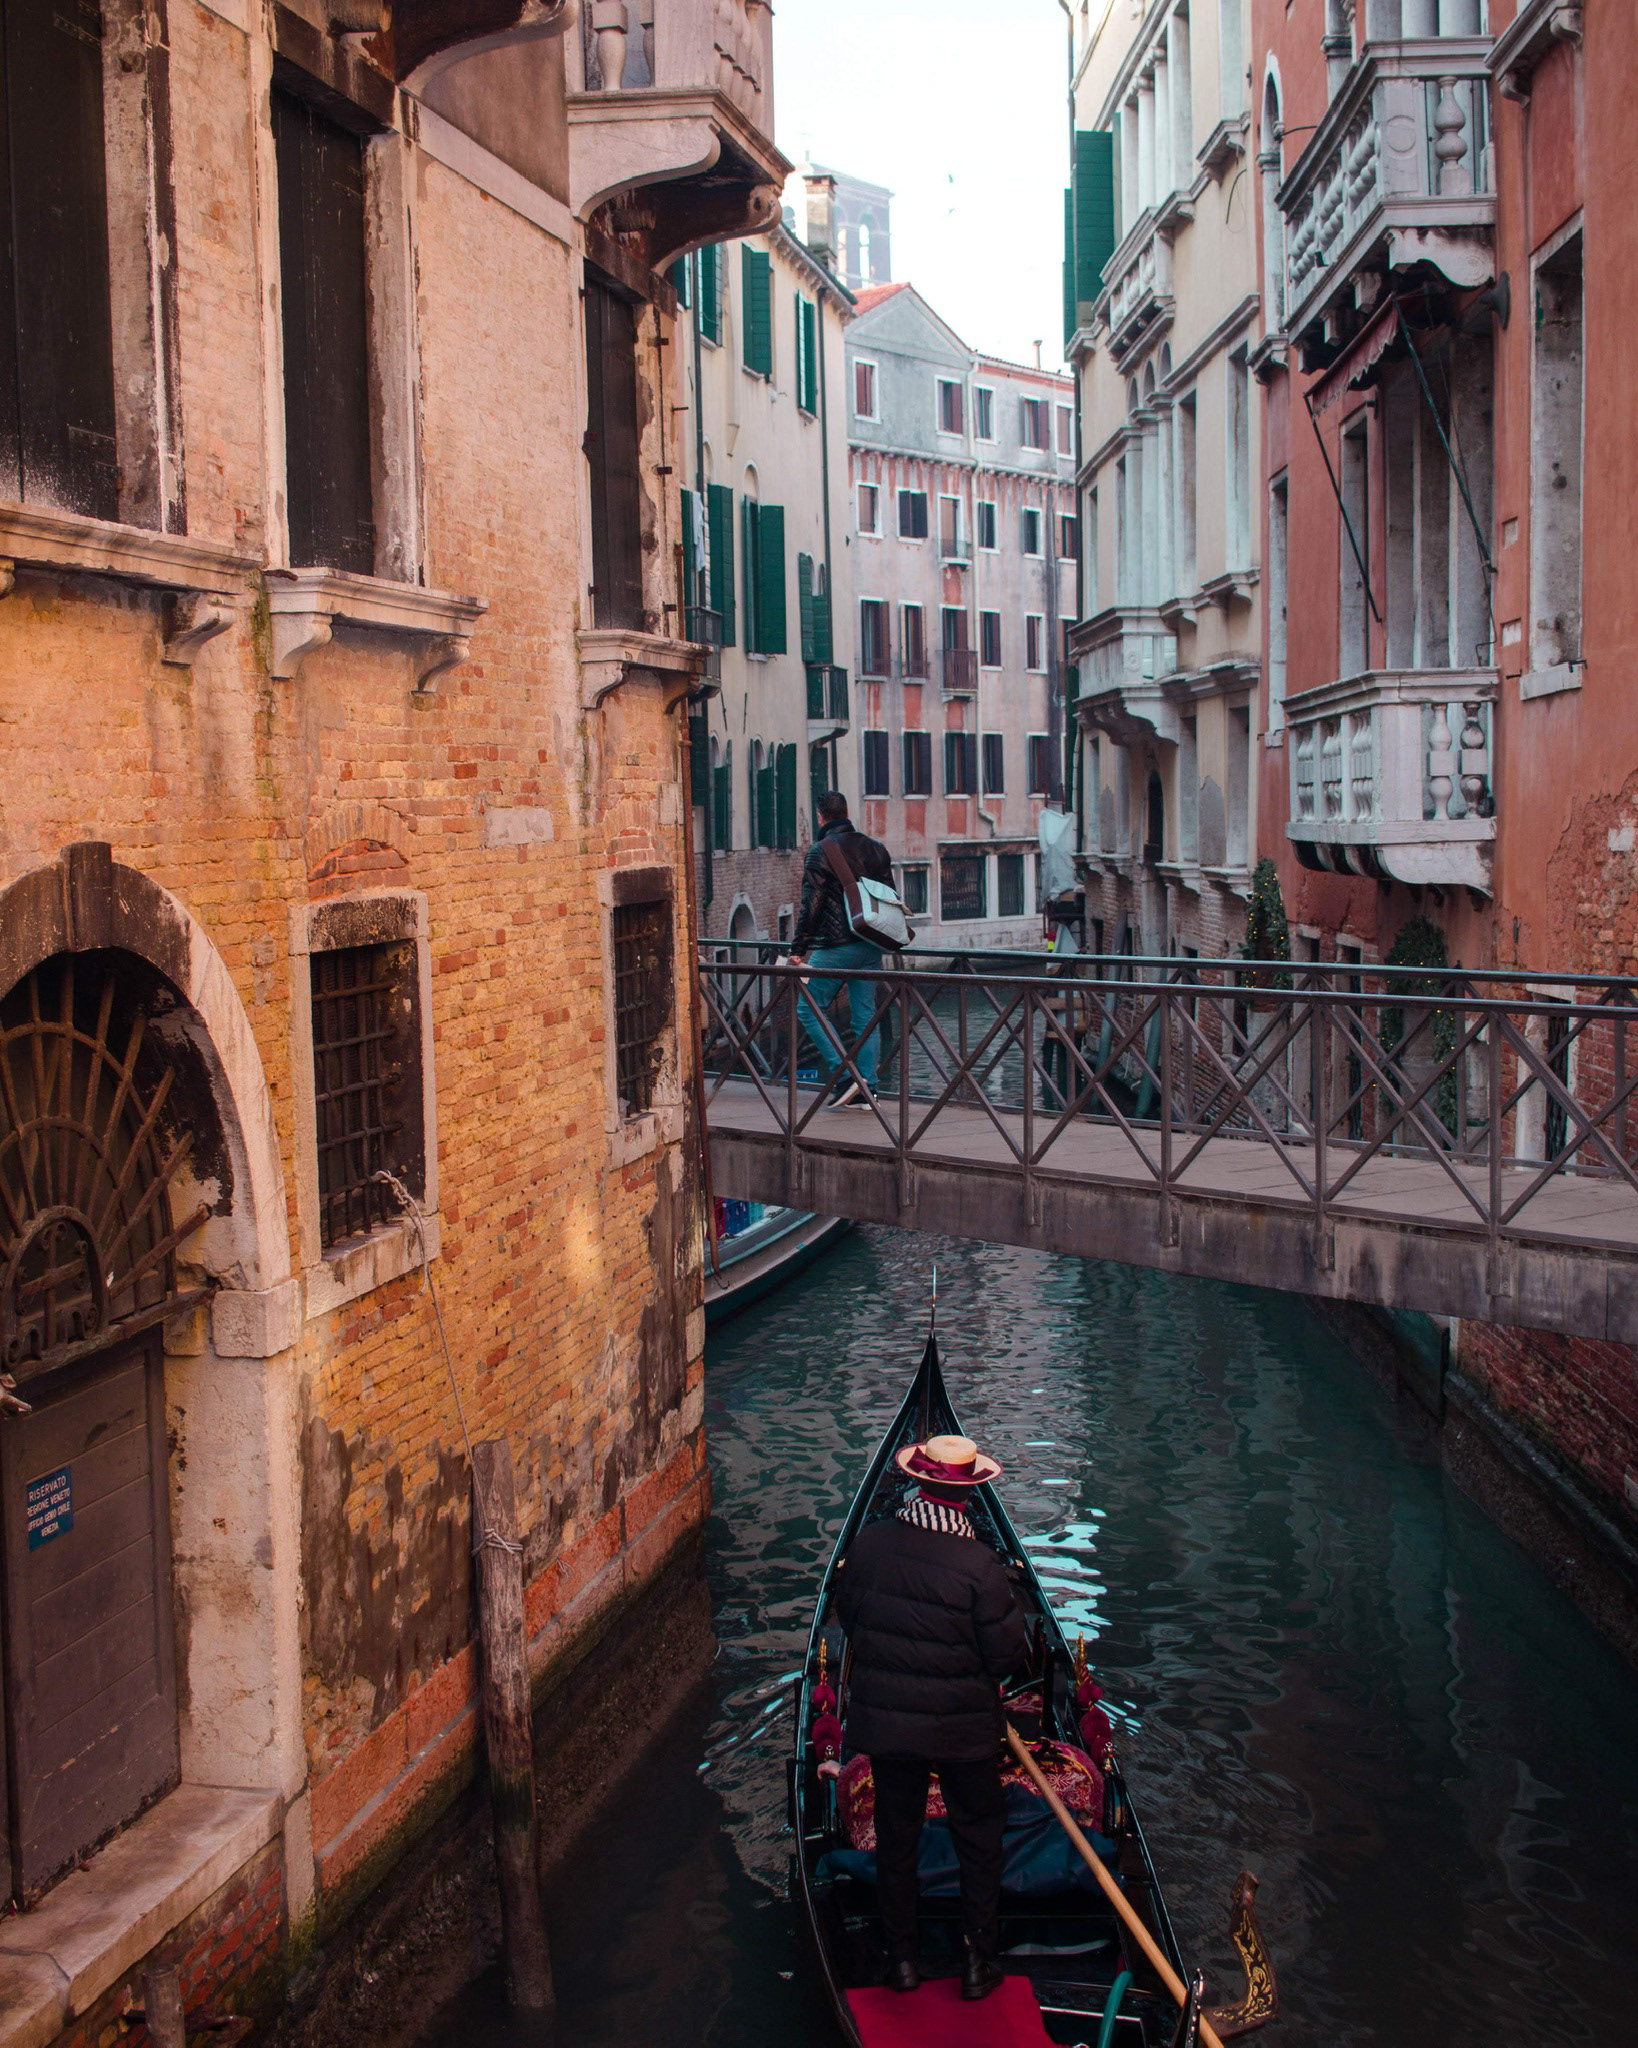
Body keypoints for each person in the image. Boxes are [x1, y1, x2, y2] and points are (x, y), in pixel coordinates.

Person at [834, 1432, 1029, 2001]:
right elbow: (1006, 1658)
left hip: (889, 1726)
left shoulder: (869, 1545)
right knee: (978, 1835)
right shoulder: (980, 1566)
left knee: (897, 1836)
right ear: (970, 1493)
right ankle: (977, 1961)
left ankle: (901, 1961)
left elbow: (851, 1620)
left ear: (917, 1483)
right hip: (963, 1729)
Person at [789, 791, 896, 1109]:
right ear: (846, 813)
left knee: (809, 1009)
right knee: (865, 1017)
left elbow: (812, 904)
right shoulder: (876, 848)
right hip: (871, 943)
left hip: (836, 946)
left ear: (820, 816)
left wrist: (799, 948)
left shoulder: (819, 851)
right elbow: (889, 896)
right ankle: (868, 1090)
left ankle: (846, 1076)